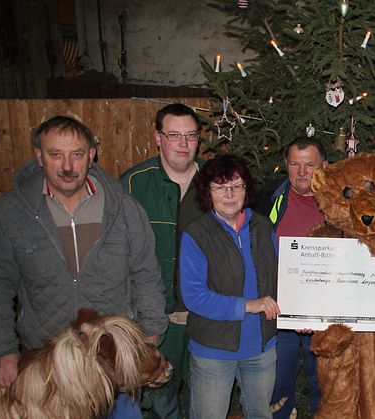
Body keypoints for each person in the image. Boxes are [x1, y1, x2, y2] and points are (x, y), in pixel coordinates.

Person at [0, 116, 167, 418]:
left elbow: (147, 274)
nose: (67, 166)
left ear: (91, 154)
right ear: (38, 156)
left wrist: (149, 337)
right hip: (51, 368)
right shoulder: (11, 212)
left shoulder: (123, 208)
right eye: (55, 154)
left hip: (114, 364)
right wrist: (4, 350)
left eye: (76, 154)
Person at [180, 154, 280, 419]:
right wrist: (248, 305)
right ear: (207, 192)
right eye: (220, 187)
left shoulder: (263, 226)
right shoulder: (196, 234)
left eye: (236, 185)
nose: (229, 194)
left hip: (261, 347)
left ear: (246, 189)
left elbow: (283, 277)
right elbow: (194, 297)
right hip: (213, 351)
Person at [121, 103, 204, 419]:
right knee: (160, 399)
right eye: (174, 135)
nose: (183, 144)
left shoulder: (217, 182)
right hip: (156, 318)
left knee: (203, 395)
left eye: (191, 135)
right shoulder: (132, 184)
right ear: (158, 138)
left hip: (204, 316)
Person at [257, 137, 327, 418]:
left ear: (324, 166)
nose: (302, 172)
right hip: (279, 313)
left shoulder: (340, 206)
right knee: (278, 383)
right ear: (286, 165)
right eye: (295, 165)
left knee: (324, 384)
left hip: (324, 315)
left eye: (309, 165)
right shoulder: (268, 199)